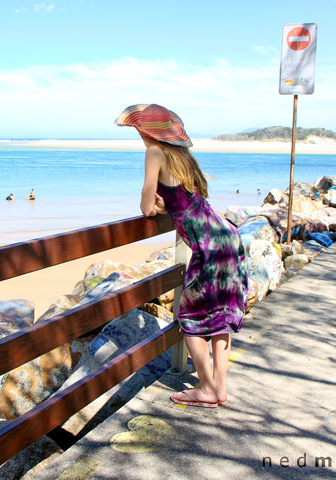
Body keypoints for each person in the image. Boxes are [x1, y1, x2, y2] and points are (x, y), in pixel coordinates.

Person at [116, 104, 248, 408]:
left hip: (207, 245)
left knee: (191, 318)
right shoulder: (183, 157)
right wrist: (166, 205)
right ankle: (220, 387)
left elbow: (147, 207)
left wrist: (155, 203)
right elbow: (186, 202)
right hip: (226, 237)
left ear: (143, 132)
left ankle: (205, 388)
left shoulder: (154, 153)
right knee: (220, 316)